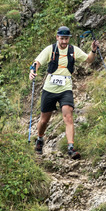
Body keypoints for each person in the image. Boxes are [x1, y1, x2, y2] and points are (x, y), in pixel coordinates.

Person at [29, 26, 99, 160]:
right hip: (49, 88)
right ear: (57, 38)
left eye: (66, 39)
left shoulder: (73, 50)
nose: (64, 42)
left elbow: (89, 59)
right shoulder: (50, 49)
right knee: (44, 120)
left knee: (68, 117)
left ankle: (71, 148)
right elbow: (37, 62)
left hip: (65, 88)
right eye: (62, 39)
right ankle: (40, 139)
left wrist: (93, 50)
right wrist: (33, 71)